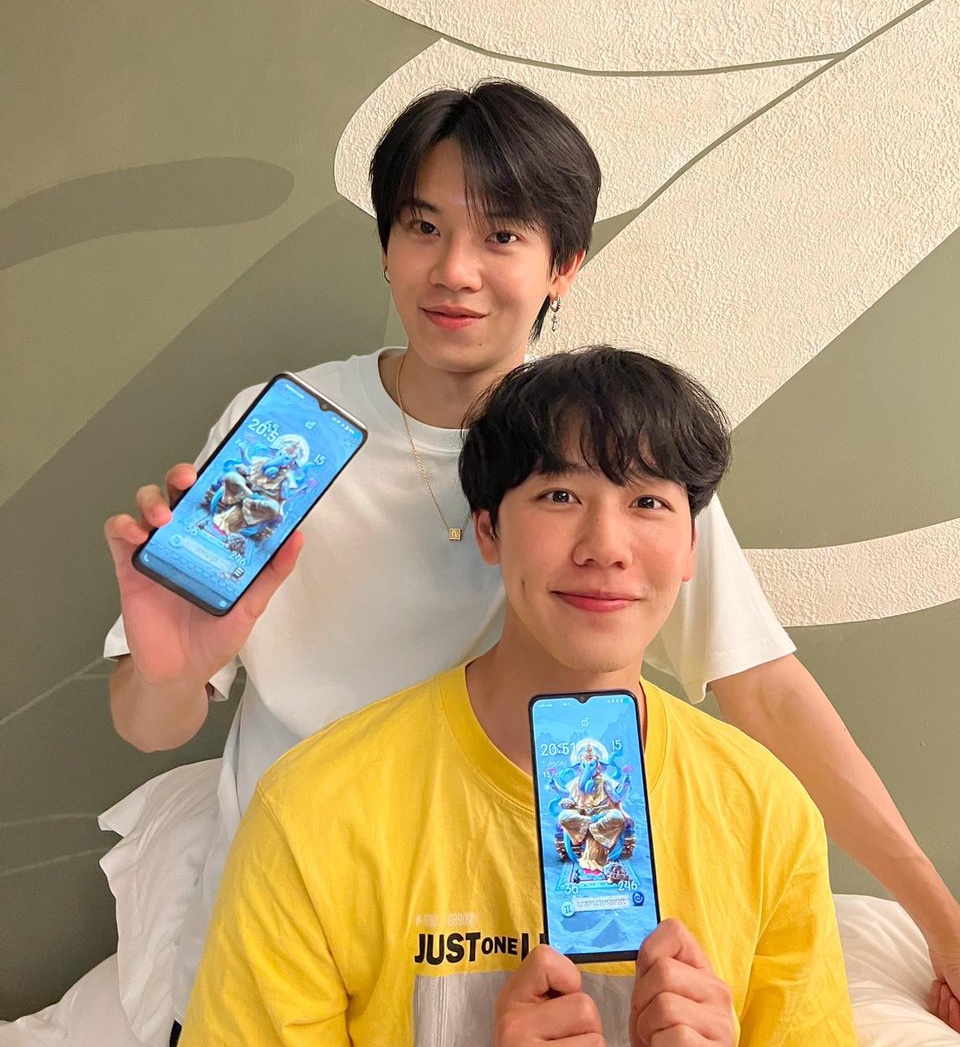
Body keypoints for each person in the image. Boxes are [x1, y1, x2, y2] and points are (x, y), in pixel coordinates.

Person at [103, 81, 960, 1031]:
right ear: (386, 245)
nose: (455, 272)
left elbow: (767, 694)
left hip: (514, 936)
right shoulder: (289, 437)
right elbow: (152, 719)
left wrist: (943, 923)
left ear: (564, 266)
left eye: (502, 235)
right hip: (298, 925)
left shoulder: (617, 455)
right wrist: (167, 672)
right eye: (423, 228)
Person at [178, 347, 857, 1045]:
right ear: (488, 530)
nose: (605, 546)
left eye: (648, 502)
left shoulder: (769, 816)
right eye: (559, 496)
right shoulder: (313, 813)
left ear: (691, 549)